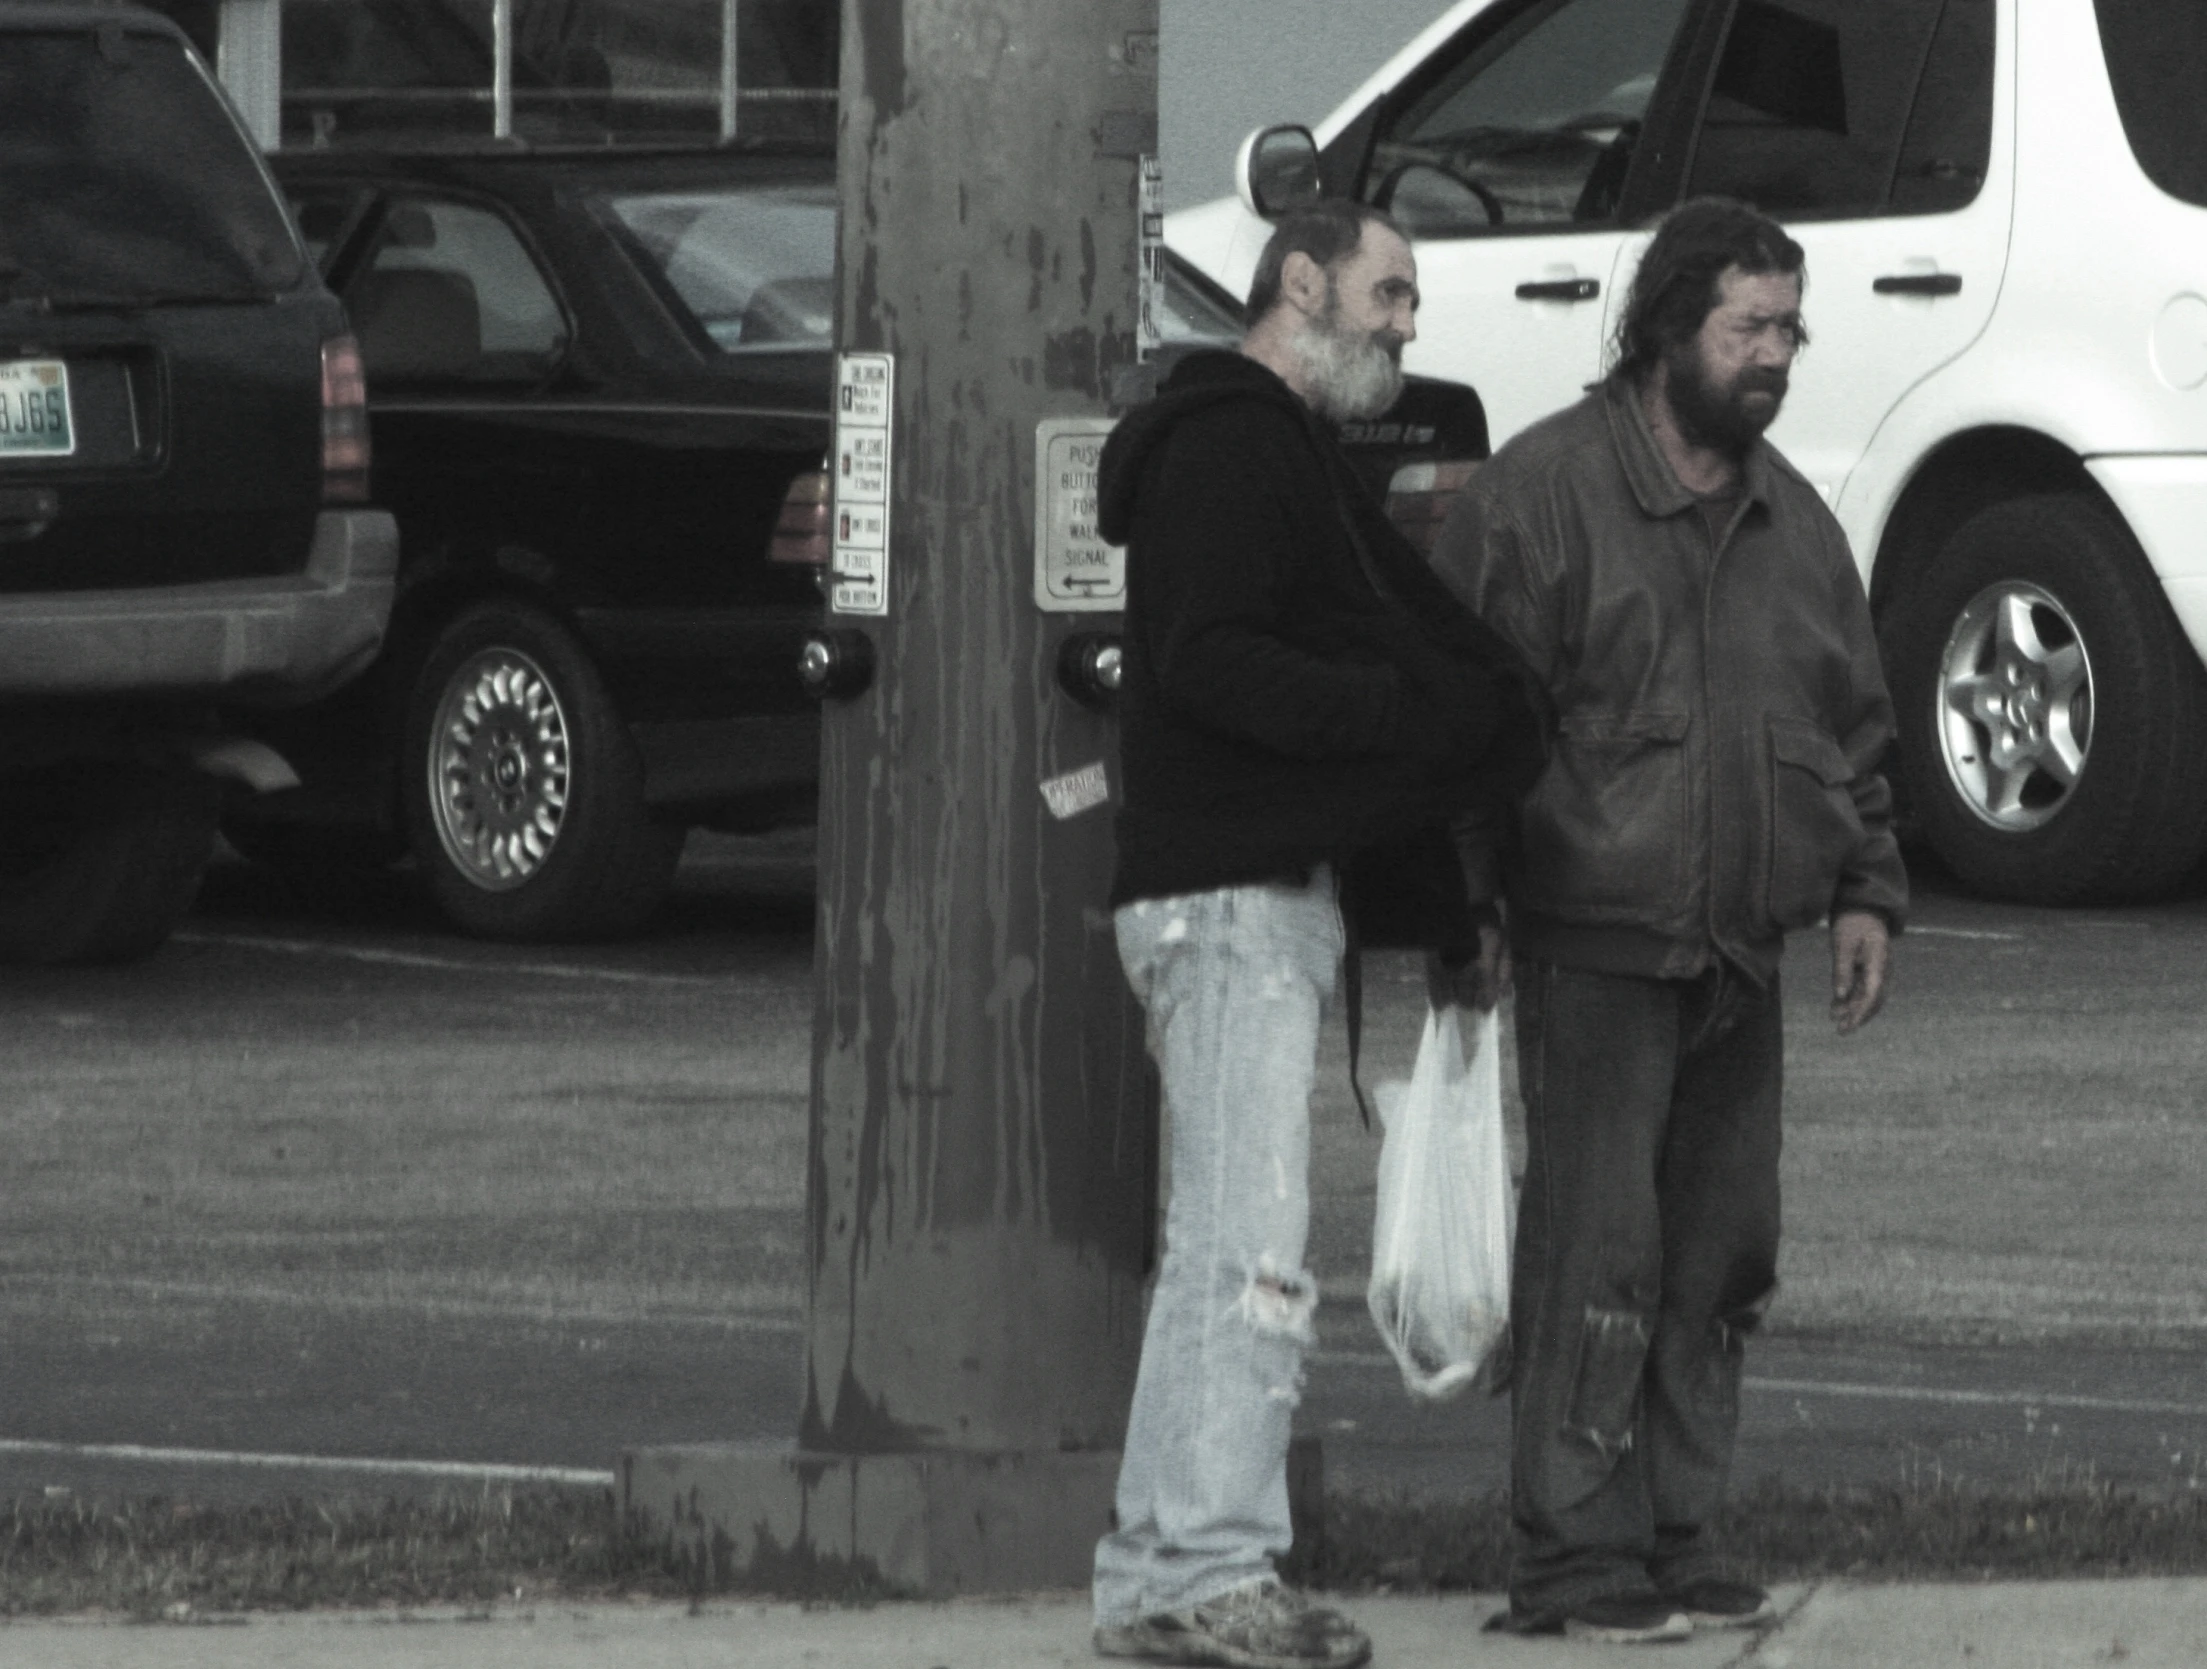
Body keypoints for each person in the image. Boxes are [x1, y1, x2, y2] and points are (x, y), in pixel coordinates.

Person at [1427, 197, 1908, 1645]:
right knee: (1598, 1257)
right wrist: (1466, 914)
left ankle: (1683, 1537)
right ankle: (1574, 1560)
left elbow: (1854, 729)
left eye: (1787, 328)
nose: (1772, 356)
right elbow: (1467, 732)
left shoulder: (1794, 523)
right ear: (1661, 331)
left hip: (1739, 958)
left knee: (1715, 1262)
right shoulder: (1539, 497)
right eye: (1744, 327)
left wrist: (1864, 889)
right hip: (1592, 947)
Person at [1089, 199, 1541, 1668]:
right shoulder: (1230, 446)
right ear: (1301, 281)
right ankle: (1206, 1573)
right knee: (1248, 1256)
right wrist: (1399, 722)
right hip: (1230, 899)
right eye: (1389, 291)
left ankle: (1167, 1572)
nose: (1408, 326)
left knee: (1225, 1247)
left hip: (1244, 894)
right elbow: (1210, 658)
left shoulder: (1258, 448)